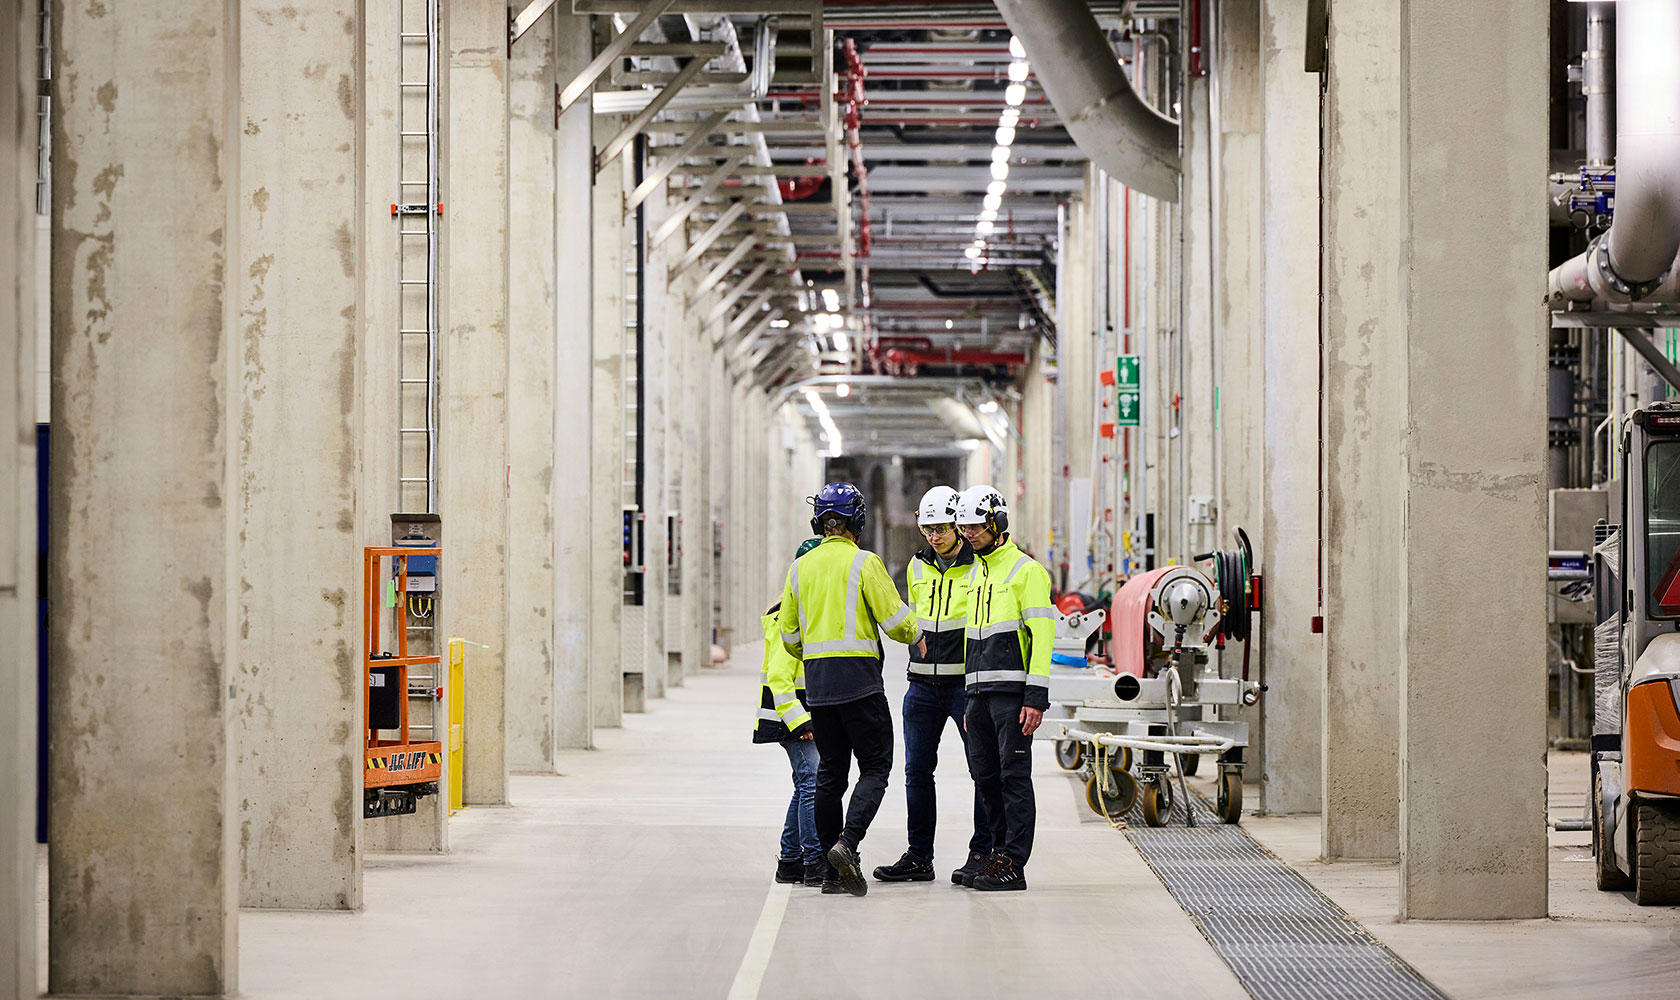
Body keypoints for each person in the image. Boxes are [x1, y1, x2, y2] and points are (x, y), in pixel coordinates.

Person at [779, 482, 924, 897]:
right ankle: (848, 843)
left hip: (819, 686)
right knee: (876, 767)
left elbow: (789, 636)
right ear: (855, 521)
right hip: (860, 683)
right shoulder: (864, 563)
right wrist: (917, 632)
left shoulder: (799, 568)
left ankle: (830, 873)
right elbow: (898, 623)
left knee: (830, 774)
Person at [872, 485, 992, 887]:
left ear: (958, 525)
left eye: (940, 528)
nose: (934, 537)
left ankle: (982, 852)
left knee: (982, 770)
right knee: (917, 772)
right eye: (927, 530)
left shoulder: (980, 566)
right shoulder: (916, 566)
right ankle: (920, 857)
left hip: (964, 686)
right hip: (921, 686)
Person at [954, 484, 1054, 892]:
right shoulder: (977, 571)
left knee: (1013, 777)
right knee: (986, 779)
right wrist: (968, 694)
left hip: (1012, 694)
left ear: (997, 523)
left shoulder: (1026, 571)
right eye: (965, 528)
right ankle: (995, 855)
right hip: (978, 695)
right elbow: (972, 637)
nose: (969, 534)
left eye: (976, 526)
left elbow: (1043, 636)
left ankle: (1014, 863)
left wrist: (1035, 697)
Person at [755, 538, 825, 888]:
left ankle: (790, 860)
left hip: (803, 716)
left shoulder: (809, 613)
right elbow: (781, 680)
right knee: (812, 783)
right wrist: (801, 723)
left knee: (805, 785)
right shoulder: (787, 617)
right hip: (791, 719)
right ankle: (813, 860)